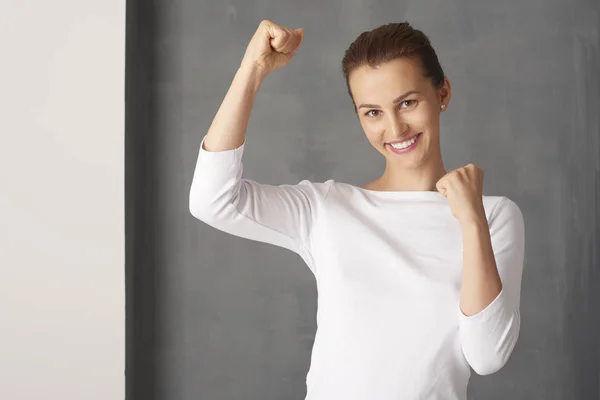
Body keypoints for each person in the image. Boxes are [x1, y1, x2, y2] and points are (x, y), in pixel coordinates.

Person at [189, 19, 525, 400]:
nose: (395, 128)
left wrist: (470, 220)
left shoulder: (493, 216)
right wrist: (253, 68)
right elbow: (212, 200)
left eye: (408, 103)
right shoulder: (327, 210)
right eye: (373, 112)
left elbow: (487, 355)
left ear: (442, 92)